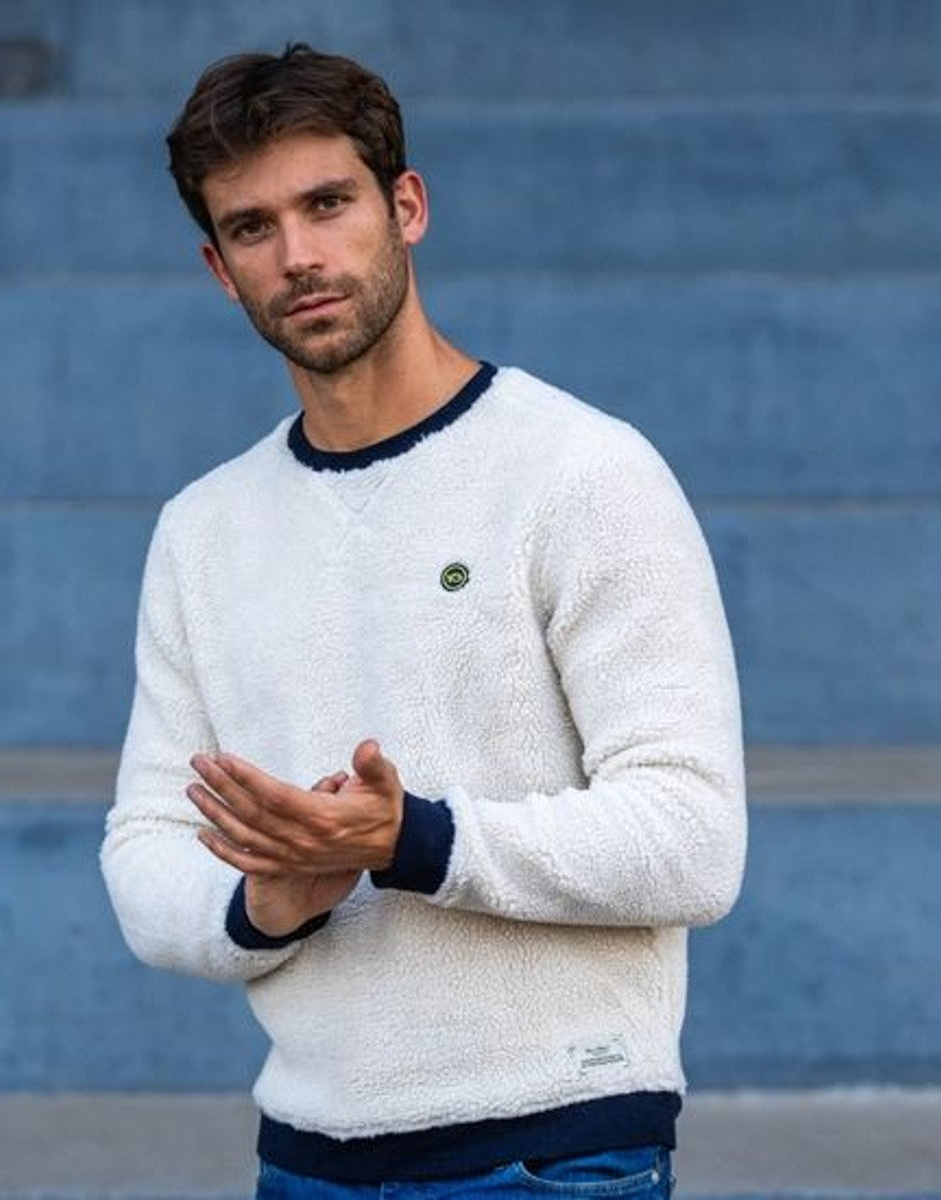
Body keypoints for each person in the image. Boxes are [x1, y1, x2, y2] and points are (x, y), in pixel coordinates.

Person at [101, 43, 746, 1199]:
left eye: (328, 204)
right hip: (306, 1157)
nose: (298, 256)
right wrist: (265, 903)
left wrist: (412, 841)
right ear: (219, 269)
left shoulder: (581, 473)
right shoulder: (203, 529)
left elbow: (693, 838)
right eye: (252, 228)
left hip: (554, 1150)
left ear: (406, 207)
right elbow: (144, 850)